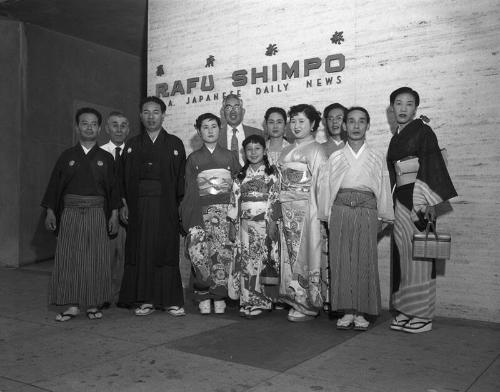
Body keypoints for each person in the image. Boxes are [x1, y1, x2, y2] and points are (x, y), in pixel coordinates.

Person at [387, 87, 457, 333]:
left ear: (415, 108)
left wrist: (424, 202)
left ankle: (424, 314)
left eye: (408, 104)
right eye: (398, 103)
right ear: (392, 108)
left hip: (419, 201)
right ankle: (406, 309)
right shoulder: (396, 137)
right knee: (403, 256)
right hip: (400, 199)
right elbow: (392, 174)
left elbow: (432, 165)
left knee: (421, 257)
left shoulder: (424, 131)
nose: (403, 108)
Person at [317, 107, 394, 330]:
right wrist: (326, 215)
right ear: (344, 126)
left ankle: (361, 311)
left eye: (361, 121)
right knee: (340, 260)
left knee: (364, 259)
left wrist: (384, 216)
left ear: (368, 126)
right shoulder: (336, 156)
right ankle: (346, 311)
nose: (356, 126)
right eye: (351, 121)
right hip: (340, 209)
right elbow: (326, 188)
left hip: (367, 210)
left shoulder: (376, 156)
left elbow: (383, 188)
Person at [42, 107, 120, 322]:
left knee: (96, 258)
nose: (89, 127)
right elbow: (54, 187)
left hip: (97, 212)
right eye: (84, 123)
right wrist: (50, 211)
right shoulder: (67, 156)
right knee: (69, 257)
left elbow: (114, 189)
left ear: (99, 128)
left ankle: (93, 304)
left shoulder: (106, 158)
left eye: (93, 124)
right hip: (70, 212)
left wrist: (113, 215)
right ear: (77, 127)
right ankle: (72, 305)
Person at [118, 96, 187, 317]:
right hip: (138, 206)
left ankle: (170, 301)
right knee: (141, 250)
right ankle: (144, 299)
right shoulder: (132, 145)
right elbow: (122, 178)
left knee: (165, 250)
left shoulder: (174, 143)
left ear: (163, 115)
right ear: (140, 116)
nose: (151, 116)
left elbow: (181, 180)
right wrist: (124, 204)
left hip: (166, 205)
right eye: (146, 112)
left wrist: (180, 208)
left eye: (155, 112)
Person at [181, 113, 240, 314]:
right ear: (198, 131)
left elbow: (236, 187)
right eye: (205, 127)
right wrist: (191, 217)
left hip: (224, 212)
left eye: (213, 126)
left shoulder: (230, 155)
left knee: (222, 254)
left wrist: (234, 214)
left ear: (220, 128)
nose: (210, 130)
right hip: (200, 210)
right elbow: (189, 190)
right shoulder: (194, 159)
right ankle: (203, 295)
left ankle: (220, 296)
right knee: (201, 254)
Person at [277, 104, 328, 322]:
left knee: (307, 254)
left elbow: (321, 185)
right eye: (293, 121)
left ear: (314, 124)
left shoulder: (316, 149)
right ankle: (293, 298)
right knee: (289, 255)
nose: (296, 126)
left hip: (307, 209)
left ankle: (309, 303)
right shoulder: (286, 150)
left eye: (302, 121)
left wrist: (320, 213)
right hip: (287, 209)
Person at [227, 135, 281, 318]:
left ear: (264, 151)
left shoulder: (272, 173)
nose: (253, 152)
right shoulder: (240, 176)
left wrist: (272, 221)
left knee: (261, 261)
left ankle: (262, 301)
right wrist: (233, 224)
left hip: (263, 224)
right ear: (244, 152)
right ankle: (247, 300)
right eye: (249, 149)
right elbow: (234, 201)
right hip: (244, 225)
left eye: (257, 148)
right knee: (245, 262)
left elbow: (275, 198)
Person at [100, 111, 130, 306]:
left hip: (130, 215)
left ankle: (122, 295)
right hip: (105, 214)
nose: (119, 129)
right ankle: (103, 295)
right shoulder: (99, 153)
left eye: (123, 125)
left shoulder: (135, 151)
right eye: (115, 125)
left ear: (129, 129)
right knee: (106, 257)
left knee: (126, 257)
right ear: (107, 128)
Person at [218, 94, 263, 165]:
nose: (233, 111)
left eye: (236, 107)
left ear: (243, 111)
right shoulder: (216, 135)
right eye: (228, 108)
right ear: (223, 112)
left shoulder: (257, 133)